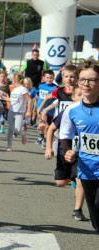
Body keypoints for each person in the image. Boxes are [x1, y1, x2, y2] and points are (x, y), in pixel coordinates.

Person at [60, 58, 99, 232]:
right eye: (83, 79)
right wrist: (67, 151)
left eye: (91, 80)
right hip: (87, 170)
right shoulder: (72, 110)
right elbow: (65, 135)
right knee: (96, 219)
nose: (86, 84)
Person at [45, 85, 86, 221]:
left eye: (83, 95)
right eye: (78, 95)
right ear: (72, 97)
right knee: (61, 182)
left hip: (81, 153)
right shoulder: (67, 112)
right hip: (64, 151)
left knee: (81, 178)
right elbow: (51, 130)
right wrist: (48, 148)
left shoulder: (90, 112)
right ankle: (72, 179)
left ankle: (77, 209)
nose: (82, 98)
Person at [0, 73, 32, 151]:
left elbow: (29, 100)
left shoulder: (23, 89)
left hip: (19, 113)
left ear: (14, 80)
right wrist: (3, 97)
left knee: (17, 130)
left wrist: (29, 111)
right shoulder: (14, 89)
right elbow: (12, 100)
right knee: (10, 129)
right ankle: (9, 145)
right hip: (11, 111)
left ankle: (23, 135)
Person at [35, 70, 57, 148]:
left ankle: (44, 137)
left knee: (47, 126)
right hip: (40, 108)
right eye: (47, 78)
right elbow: (34, 93)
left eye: (51, 78)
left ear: (53, 78)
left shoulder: (55, 88)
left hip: (50, 110)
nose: (49, 79)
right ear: (43, 78)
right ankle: (43, 137)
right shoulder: (40, 86)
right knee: (44, 124)